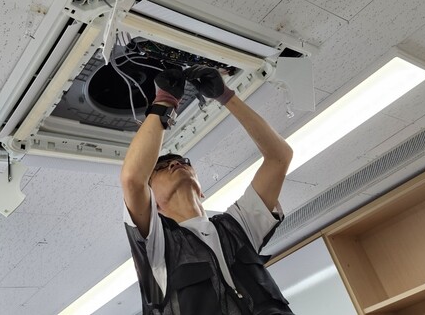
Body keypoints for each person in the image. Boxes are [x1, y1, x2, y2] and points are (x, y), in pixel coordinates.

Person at [120, 65, 295, 314]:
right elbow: (132, 179)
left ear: (201, 190)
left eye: (182, 162)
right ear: (152, 202)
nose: (175, 164)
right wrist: (165, 101)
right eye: (161, 168)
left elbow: (279, 157)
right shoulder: (158, 248)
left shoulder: (237, 228)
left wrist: (226, 96)